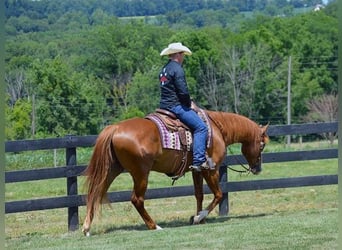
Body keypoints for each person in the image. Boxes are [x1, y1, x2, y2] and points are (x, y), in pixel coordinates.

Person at [159, 42, 209, 172]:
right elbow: (183, 92)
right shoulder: (177, 69)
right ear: (178, 54)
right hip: (175, 106)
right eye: (183, 54)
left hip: (164, 106)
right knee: (201, 127)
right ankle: (199, 161)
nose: (184, 57)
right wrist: (189, 104)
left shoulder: (164, 69)